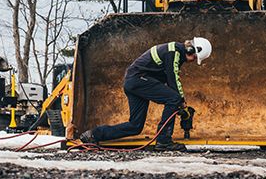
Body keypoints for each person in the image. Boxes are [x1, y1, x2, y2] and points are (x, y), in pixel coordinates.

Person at [80, 37, 212, 151]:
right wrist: (181, 102)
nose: (193, 60)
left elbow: (168, 79)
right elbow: (173, 79)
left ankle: (93, 135)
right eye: (194, 57)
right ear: (191, 50)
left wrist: (179, 105)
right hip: (139, 80)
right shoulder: (174, 52)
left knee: (135, 126)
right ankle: (164, 141)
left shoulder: (174, 52)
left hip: (134, 82)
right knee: (174, 98)